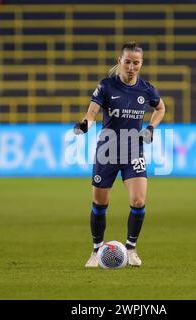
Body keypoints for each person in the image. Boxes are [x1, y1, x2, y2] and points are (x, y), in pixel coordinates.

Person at [73, 41, 165, 267]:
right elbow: (92, 112)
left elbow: (160, 108)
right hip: (107, 150)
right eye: (128, 62)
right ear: (119, 61)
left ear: (141, 64)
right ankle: (96, 251)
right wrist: (85, 124)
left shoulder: (147, 89)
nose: (132, 67)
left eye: (136, 63)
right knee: (100, 202)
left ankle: (131, 249)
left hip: (133, 150)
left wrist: (151, 128)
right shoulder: (106, 86)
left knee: (138, 200)